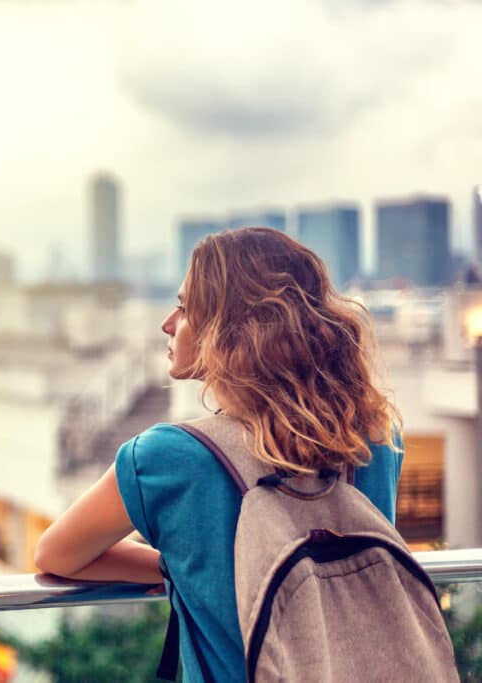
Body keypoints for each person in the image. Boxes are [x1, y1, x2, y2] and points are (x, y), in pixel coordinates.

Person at [34, 227, 403, 682]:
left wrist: (178, 569)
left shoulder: (165, 457)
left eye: (186, 307)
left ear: (231, 331)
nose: (168, 323)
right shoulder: (375, 439)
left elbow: (56, 554)